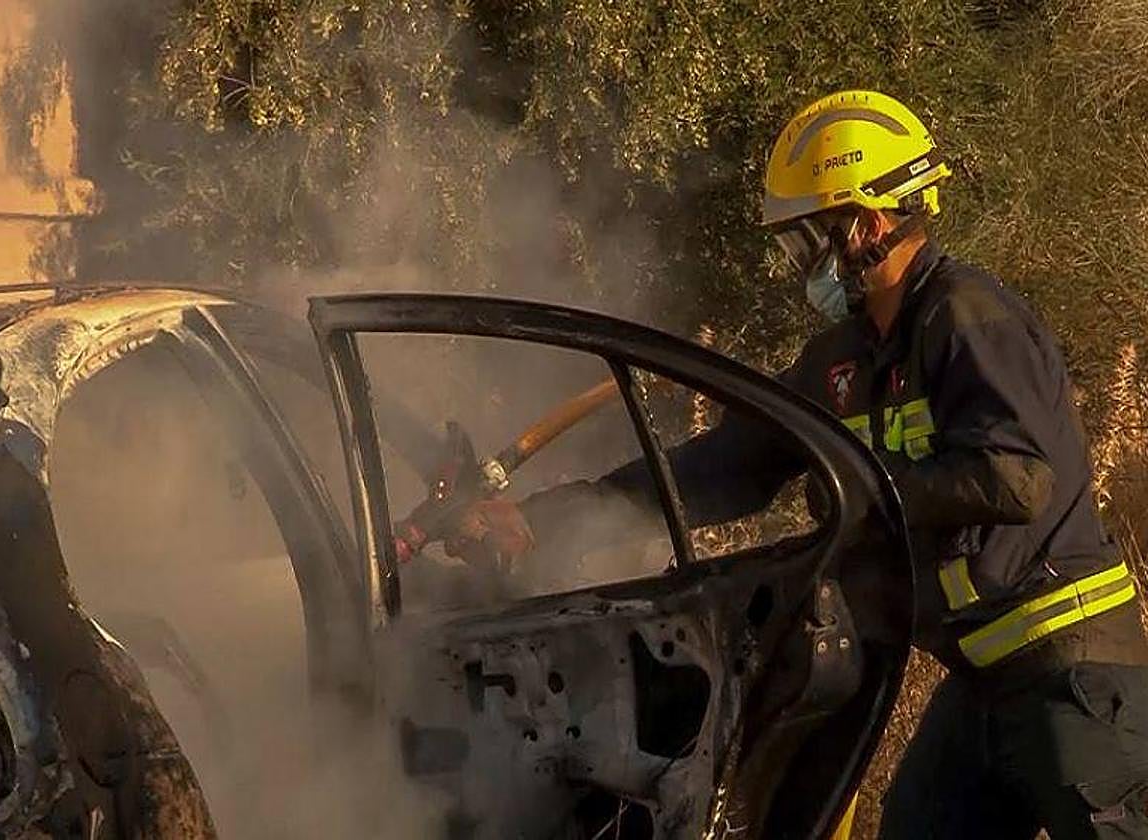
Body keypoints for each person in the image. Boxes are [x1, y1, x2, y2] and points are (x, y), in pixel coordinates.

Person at [453, 90, 1148, 837]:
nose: (803, 267)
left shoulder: (969, 318)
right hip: (981, 677)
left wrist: (864, 496)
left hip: (1073, 671)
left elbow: (1016, 477)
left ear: (867, 225)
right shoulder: (844, 360)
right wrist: (549, 519)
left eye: (810, 239)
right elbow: (725, 468)